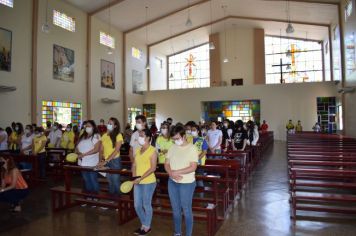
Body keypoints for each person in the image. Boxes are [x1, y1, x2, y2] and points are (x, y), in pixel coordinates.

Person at [165, 125, 199, 236]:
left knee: (186, 209)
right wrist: (171, 173)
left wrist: (176, 172)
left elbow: (193, 167)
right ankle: (177, 232)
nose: (175, 141)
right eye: (173, 139)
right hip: (172, 182)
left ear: (184, 136)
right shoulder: (172, 147)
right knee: (175, 210)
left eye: (177, 138)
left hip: (187, 183)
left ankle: (188, 234)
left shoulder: (192, 148)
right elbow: (166, 163)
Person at [132, 129, 157, 236]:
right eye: (139, 135)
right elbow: (134, 165)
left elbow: (153, 168)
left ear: (148, 138)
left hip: (149, 182)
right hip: (138, 181)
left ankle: (146, 227)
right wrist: (135, 177)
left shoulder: (152, 150)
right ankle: (145, 224)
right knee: (137, 205)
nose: (139, 138)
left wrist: (140, 178)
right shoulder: (138, 150)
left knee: (146, 204)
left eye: (142, 135)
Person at [76, 120, 101, 206]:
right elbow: (76, 147)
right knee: (86, 180)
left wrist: (84, 154)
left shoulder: (96, 136)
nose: (87, 127)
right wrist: (79, 153)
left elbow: (97, 149)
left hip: (92, 162)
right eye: (86, 126)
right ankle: (89, 196)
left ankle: (96, 197)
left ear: (93, 127)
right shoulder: (83, 136)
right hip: (83, 162)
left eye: (89, 126)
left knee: (93, 179)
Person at [98, 117, 123, 197]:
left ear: (115, 126)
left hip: (115, 160)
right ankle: (112, 199)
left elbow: (116, 150)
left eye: (110, 123)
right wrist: (101, 160)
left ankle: (119, 200)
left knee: (115, 181)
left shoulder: (118, 135)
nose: (108, 124)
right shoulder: (104, 135)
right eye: (108, 123)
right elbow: (101, 150)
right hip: (106, 160)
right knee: (110, 181)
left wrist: (107, 160)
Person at [191, 124, 208, 193]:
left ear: (198, 131)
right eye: (191, 130)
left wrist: (196, 159)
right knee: (191, 180)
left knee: (199, 180)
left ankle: (202, 195)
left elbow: (204, 152)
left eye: (194, 130)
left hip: (199, 163)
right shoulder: (189, 139)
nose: (192, 131)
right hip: (190, 163)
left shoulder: (202, 140)